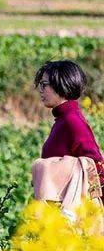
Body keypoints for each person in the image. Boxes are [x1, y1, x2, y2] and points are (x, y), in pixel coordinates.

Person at [35, 60, 104, 189]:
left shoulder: (72, 121)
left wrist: (95, 204)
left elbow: (95, 165)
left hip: (73, 207)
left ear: (61, 85)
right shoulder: (63, 119)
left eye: (44, 85)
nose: (41, 90)